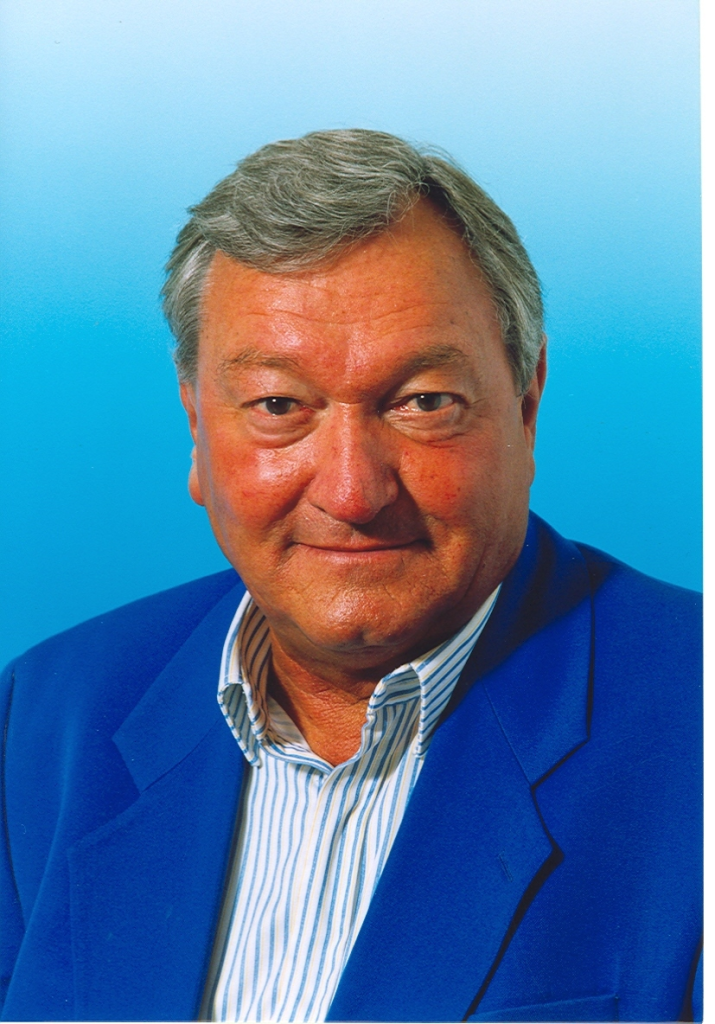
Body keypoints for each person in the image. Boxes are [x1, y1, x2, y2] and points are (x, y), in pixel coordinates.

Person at [0, 130, 701, 1023]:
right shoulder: (46, 719)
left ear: (526, 407)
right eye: (278, 406)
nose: (351, 491)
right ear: (197, 431)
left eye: (422, 403)